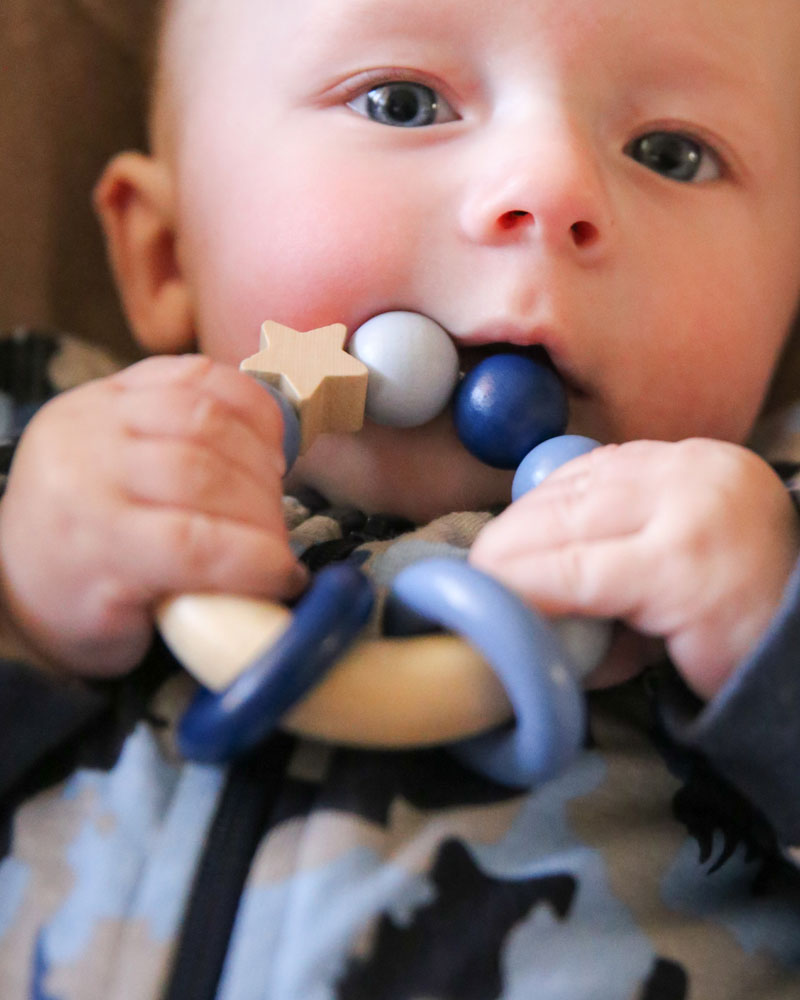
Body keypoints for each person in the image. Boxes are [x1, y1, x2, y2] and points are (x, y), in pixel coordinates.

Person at [3, 0, 800, 995]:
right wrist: (26, 604)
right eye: (401, 101)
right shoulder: (42, 464)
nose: (547, 186)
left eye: (671, 152)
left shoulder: (764, 560)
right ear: (167, 254)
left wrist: (770, 645)